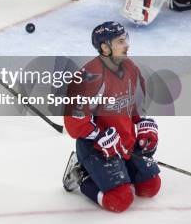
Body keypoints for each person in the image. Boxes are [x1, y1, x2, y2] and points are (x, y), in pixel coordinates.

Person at [62, 21, 161, 213]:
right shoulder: (87, 77)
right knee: (120, 199)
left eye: (126, 39)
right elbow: (75, 123)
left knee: (150, 186)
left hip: (124, 142)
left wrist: (143, 125)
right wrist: (100, 136)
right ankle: (82, 174)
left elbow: (136, 105)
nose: (127, 45)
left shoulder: (131, 68)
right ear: (105, 47)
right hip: (97, 148)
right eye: (120, 41)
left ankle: (119, 169)